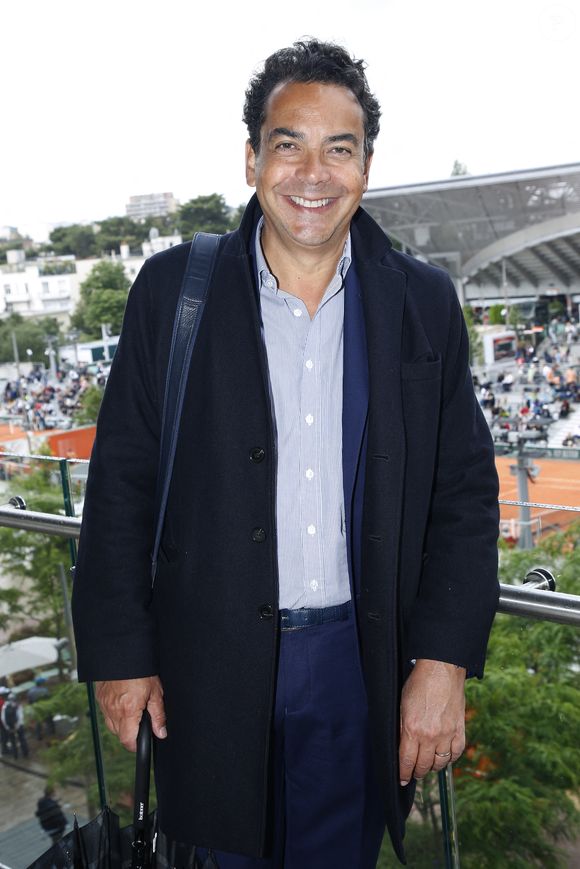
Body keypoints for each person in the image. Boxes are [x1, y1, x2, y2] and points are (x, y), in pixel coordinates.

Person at [72, 39, 499, 867]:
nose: (314, 172)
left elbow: (463, 494)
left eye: (340, 148)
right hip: (207, 662)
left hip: (358, 660)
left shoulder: (423, 301)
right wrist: (121, 656)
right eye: (288, 143)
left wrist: (442, 663)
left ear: (367, 166)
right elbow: (119, 481)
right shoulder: (174, 291)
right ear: (251, 158)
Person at [0, 692, 29, 760]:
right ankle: (25, 753)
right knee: (22, 739)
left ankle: (15, 756)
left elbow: (3, 718)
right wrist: (18, 725)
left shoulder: (5, 706)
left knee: (13, 741)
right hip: (19, 726)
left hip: (9, 727)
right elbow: (21, 716)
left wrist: (7, 727)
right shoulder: (18, 705)